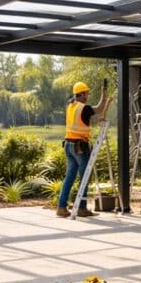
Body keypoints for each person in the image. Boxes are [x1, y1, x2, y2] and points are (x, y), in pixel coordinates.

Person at [57, 81, 111, 217]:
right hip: (80, 147)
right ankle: (81, 208)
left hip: (68, 145)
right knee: (85, 177)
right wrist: (104, 95)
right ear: (81, 94)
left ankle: (61, 207)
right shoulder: (84, 108)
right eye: (86, 93)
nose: (87, 95)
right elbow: (99, 109)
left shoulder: (70, 105)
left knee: (69, 177)